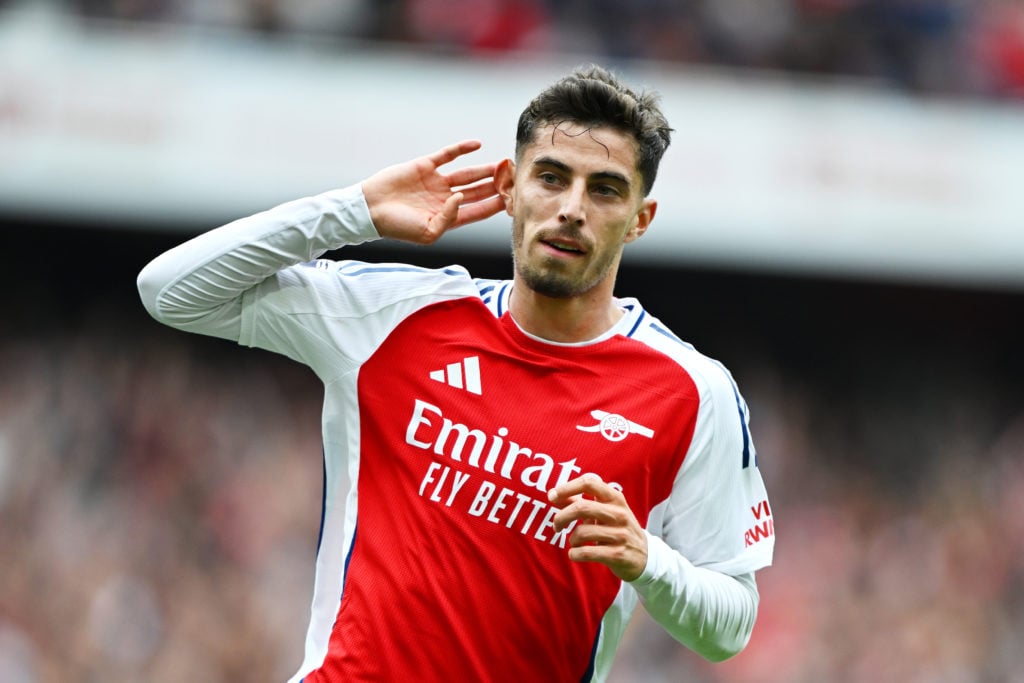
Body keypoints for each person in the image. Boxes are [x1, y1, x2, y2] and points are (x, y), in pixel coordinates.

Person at [137, 64, 774, 682]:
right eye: (550, 177)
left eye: (604, 189)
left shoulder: (692, 392)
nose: (572, 208)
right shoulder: (400, 317)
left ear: (640, 218)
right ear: (508, 188)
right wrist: (354, 211)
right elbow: (170, 291)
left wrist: (649, 563)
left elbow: (731, 629)